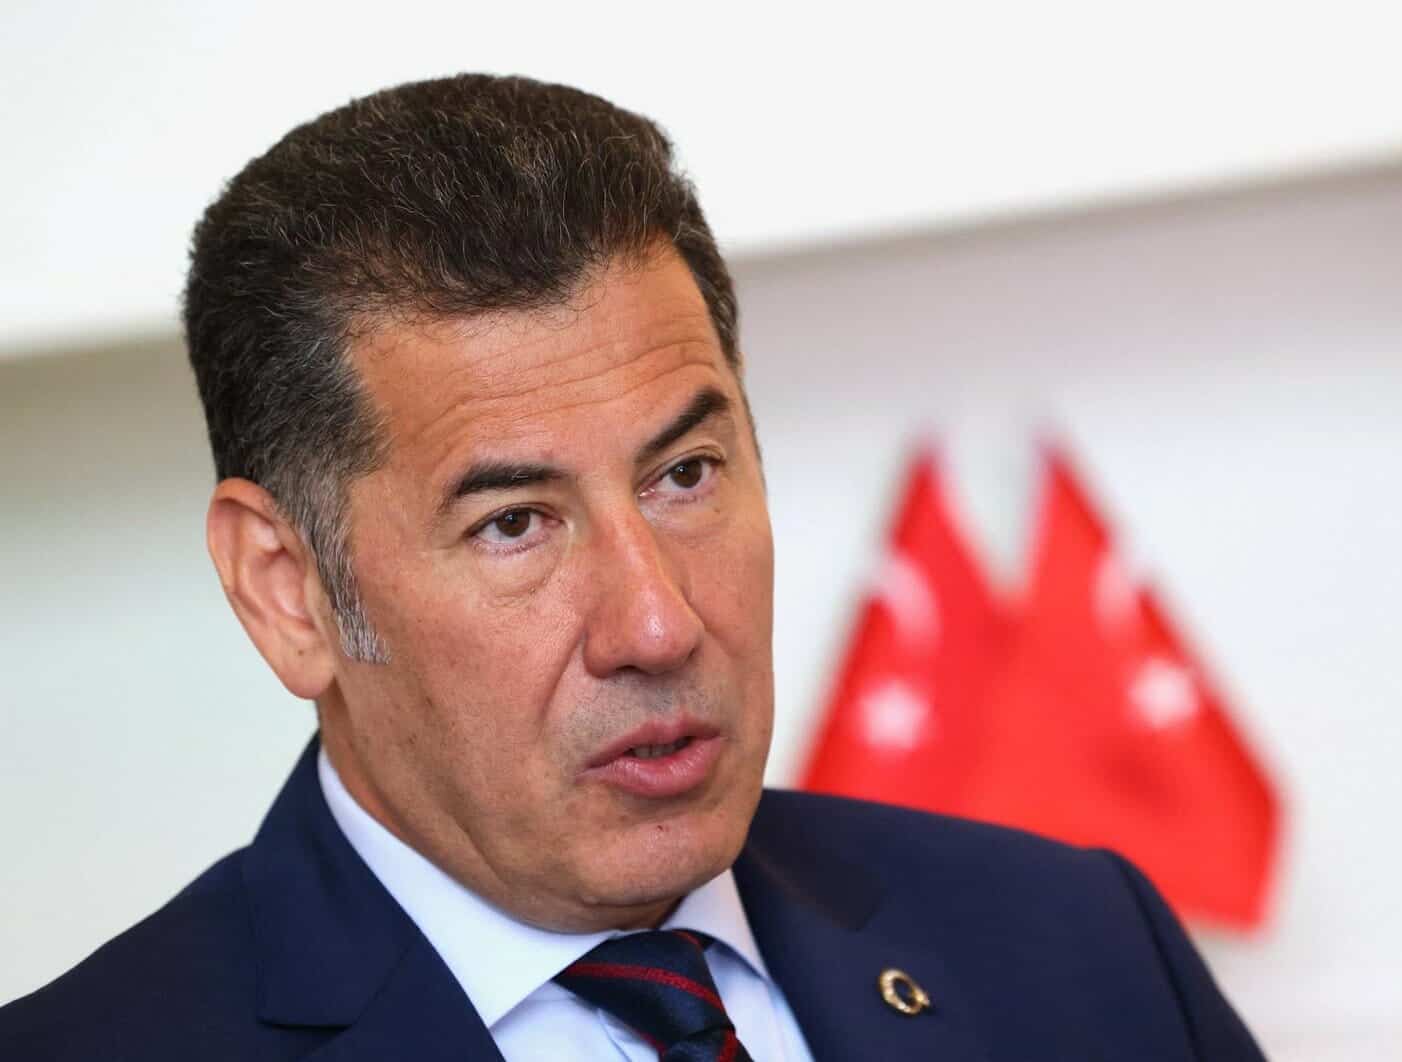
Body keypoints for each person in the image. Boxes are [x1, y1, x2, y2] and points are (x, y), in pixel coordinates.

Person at [0, 74, 1265, 1060]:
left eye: (686, 475)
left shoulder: (1084, 948)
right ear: (288, 591)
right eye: (514, 524)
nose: (657, 624)